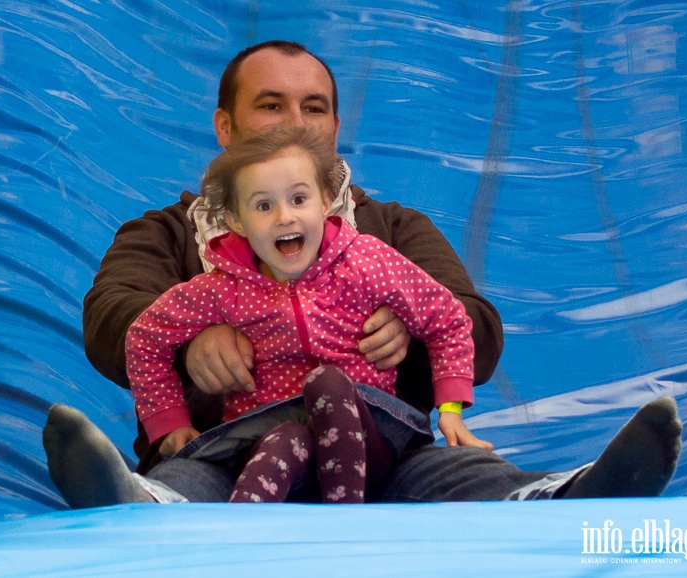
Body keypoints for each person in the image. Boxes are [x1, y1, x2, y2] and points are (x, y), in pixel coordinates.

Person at [45, 40, 682, 508]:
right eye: (271, 105)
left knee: (456, 478)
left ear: (335, 128)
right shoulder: (167, 230)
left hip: (382, 461)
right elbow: (110, 316)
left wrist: (410, 335)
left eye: (314, 108)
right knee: (187, 487)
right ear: (225, 127)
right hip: (226, 453)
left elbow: (474, 327)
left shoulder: (390, 232)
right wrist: (194, 342)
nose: (296, 123)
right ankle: (135, 502)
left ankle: (564, 498)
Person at [125, 126, 485, 504]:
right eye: (263, 206)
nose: (284, 217)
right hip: (266, 445)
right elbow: (145, 338)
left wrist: (450, 407)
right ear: (235, 221)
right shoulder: (224, 288)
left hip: (371, 445)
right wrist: (170, 423)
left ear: (326, 201)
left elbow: (447, 318)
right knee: (288, 437)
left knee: (327, 384)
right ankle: (233, 530)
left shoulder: (366, 262)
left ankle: (343, 520)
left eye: (299, 199)